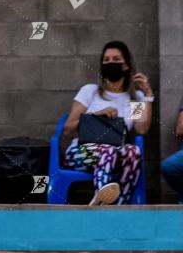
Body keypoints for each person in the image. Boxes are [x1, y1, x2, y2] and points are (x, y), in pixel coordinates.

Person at [62, 40, 153, 205]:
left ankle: (118, 206)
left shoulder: (135, 99)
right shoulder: (90, 91)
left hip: (116, 155)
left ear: (126, 65)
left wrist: (147, 94)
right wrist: (95, 116)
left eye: (116, 59)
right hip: (81, 154)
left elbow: (141, 129)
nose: (111, 63)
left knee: (133, 152)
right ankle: (102, 199)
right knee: (109, 151)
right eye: (106, 60)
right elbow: (68, 129)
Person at [160, 99, 183, 201]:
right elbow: (180, 129)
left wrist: (147, 96)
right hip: (108, 146)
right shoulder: (135, 97)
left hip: (128, 150)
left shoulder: (136, 96)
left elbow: (140, 129)